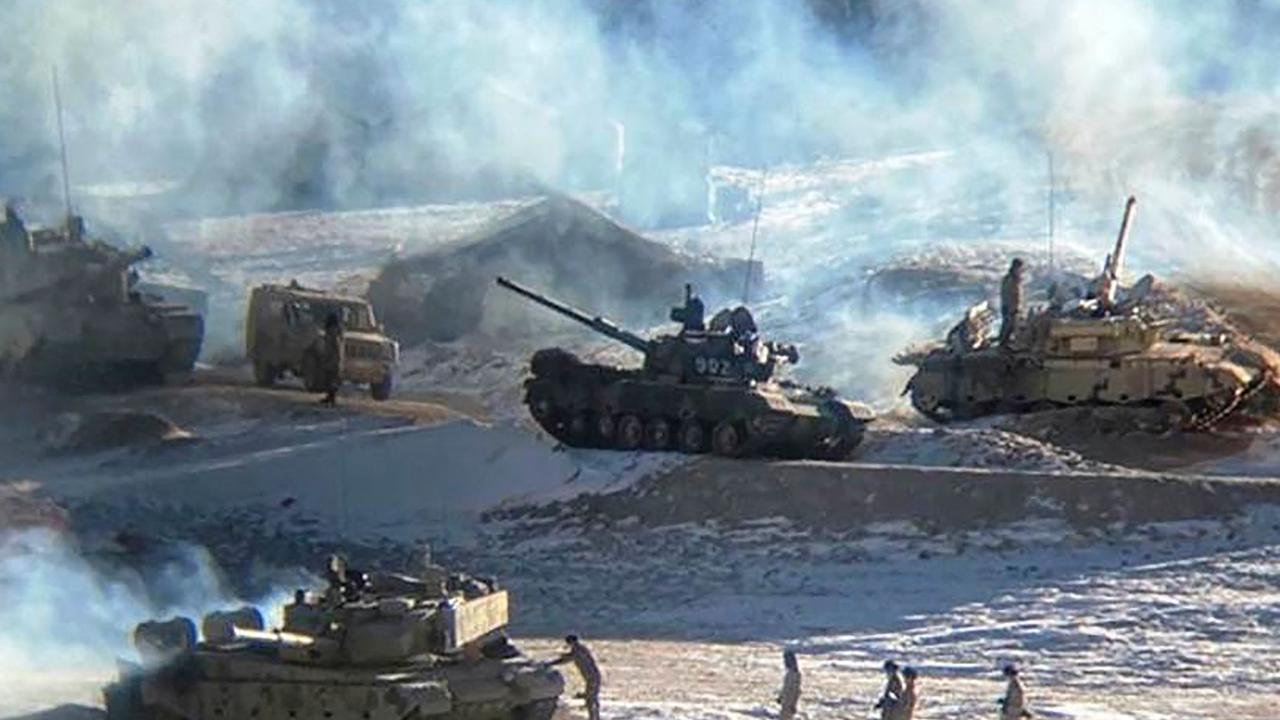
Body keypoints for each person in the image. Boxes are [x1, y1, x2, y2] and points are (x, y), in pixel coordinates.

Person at [551, 634, 601, 720]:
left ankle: (594, 717)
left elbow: (566, 659)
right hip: (592, 676)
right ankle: (594, 716)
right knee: (591, 698)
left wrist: (550, 663)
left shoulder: (578, 651)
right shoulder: (580, 649)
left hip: (592, 677)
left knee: (590, 699)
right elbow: (568, 656)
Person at [999, 258, 1025, 346]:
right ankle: (1002, 345)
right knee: (1008, 327)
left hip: (1011, 308)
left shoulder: (1012, 279)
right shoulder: (1011, 280)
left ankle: (1004, 343)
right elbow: (1011, 295)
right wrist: (1014, 308)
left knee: (1010, 327)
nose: (1022, 271)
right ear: (1016, 268)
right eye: (1021, 268)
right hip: (1010, 308)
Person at [320, 312, 344, 405]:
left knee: (331, 380)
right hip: (333, 359)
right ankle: (330, 397)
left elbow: (335, 347)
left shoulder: (333, 333)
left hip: (332, 359)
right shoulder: (336, 332)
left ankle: (332, 398)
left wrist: (330, 359)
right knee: (330, 380)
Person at [777, 649, 801, 720]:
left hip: (789, 703)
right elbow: (785, 687)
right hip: (785, 702)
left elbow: (796, 691)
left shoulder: (795, 675)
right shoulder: (789, 673)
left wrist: (793, 704)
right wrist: (781, 697)